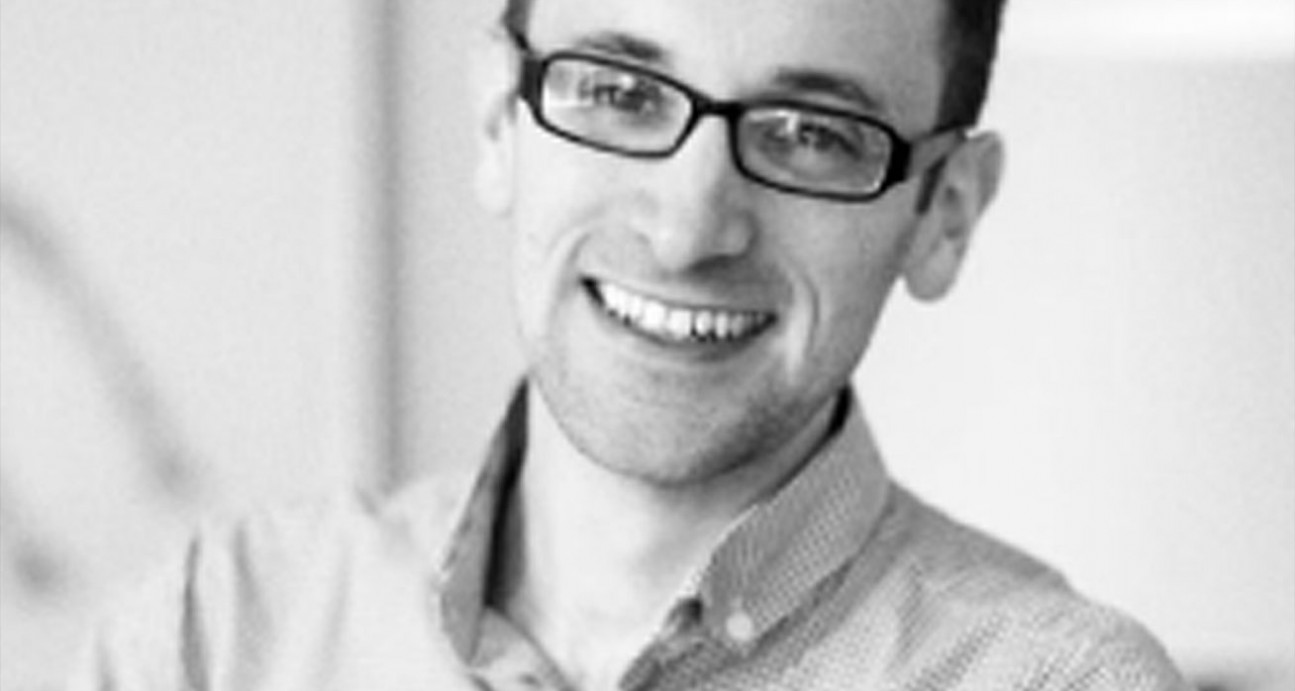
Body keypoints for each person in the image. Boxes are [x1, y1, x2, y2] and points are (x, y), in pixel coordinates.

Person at [70, 0, 1192, 688]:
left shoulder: (1057, 681)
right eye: (617, 91)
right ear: (499, 121)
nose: (687, 229)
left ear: (943, 212)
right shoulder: (217, 637)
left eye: (810, 133)